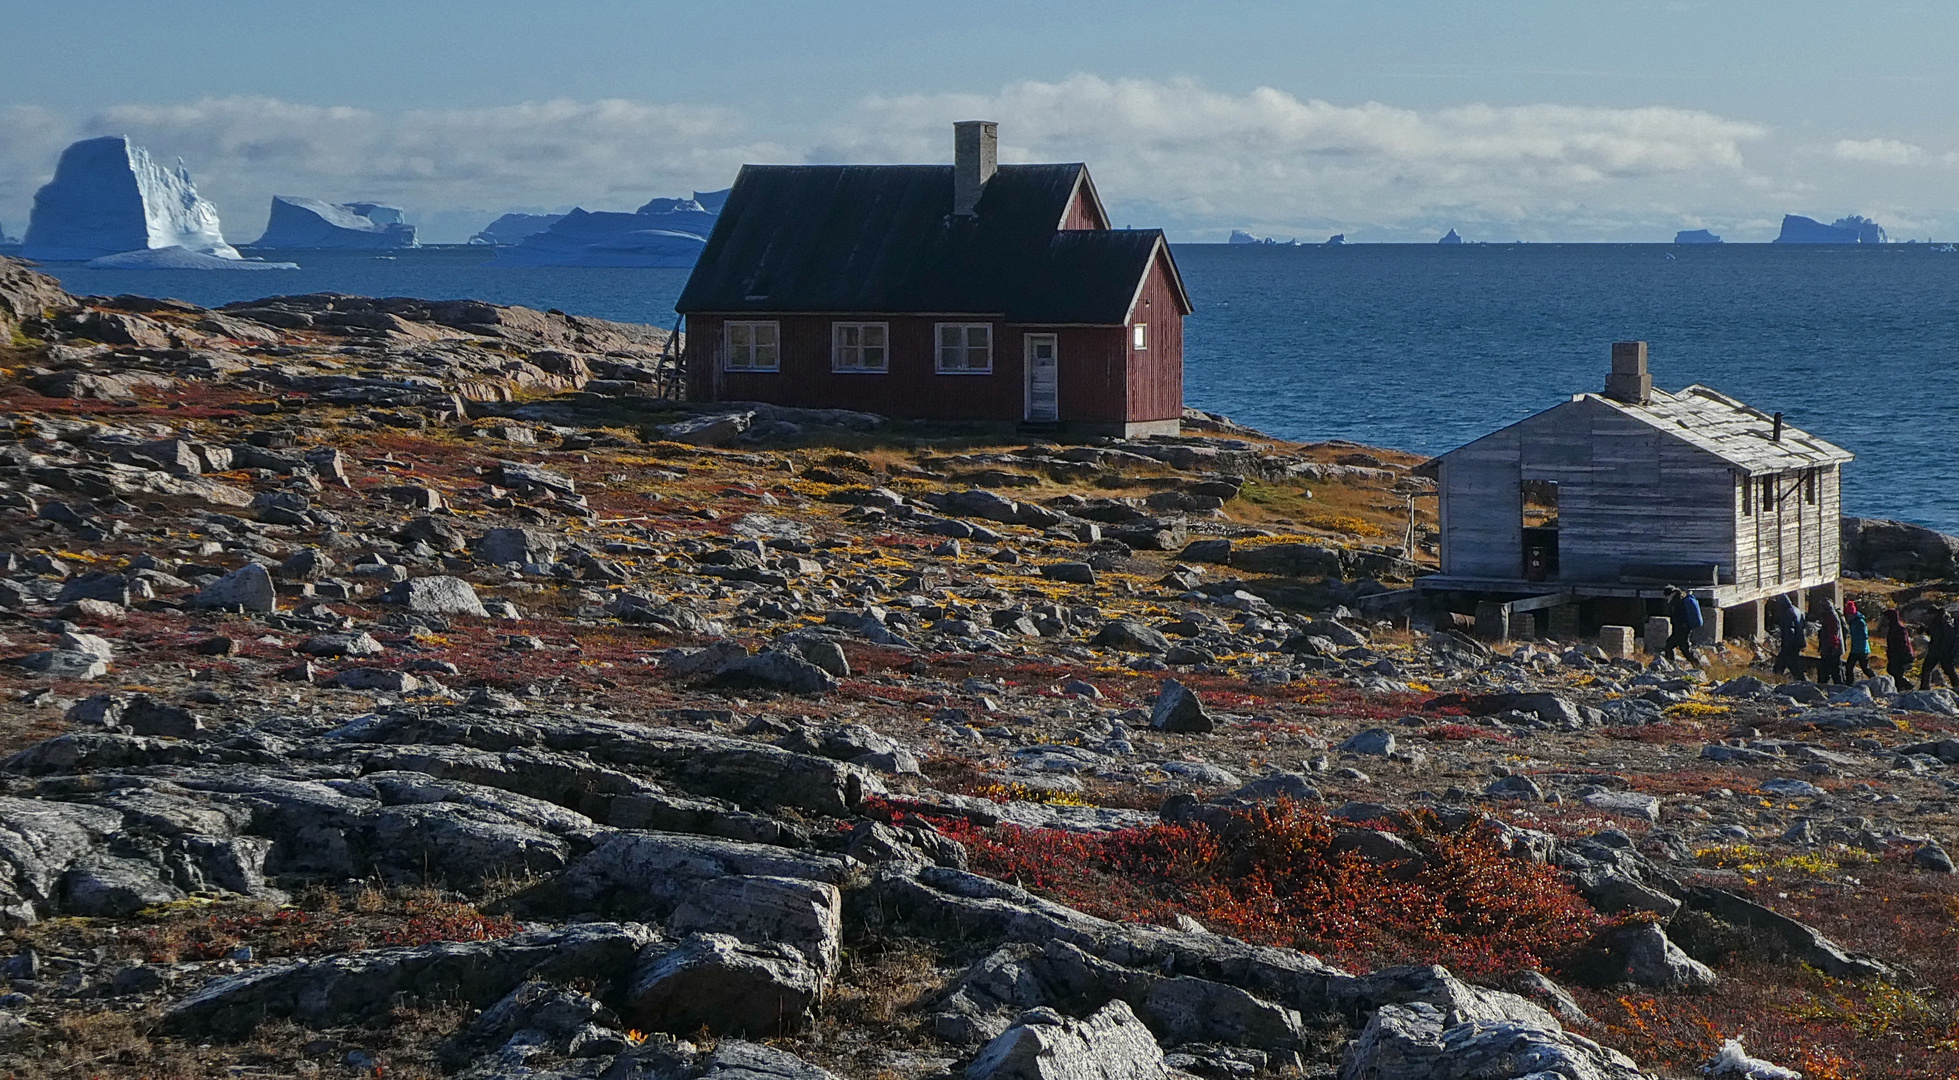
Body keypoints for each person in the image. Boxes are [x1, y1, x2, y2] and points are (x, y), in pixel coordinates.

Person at [1662, 585, 1703, 666]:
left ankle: (1698, 666)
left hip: (1681, 629)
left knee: (1683, 649)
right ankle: (1671, 664)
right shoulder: (1681, 597)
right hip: (1682, 628)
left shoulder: (1676, 601)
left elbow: (1678, 616)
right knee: (1672, 645)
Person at [1922, 606, 1959, 690]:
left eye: (1929, 615)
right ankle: (1924, 687)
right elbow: (1934, 633)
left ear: (1934, 613)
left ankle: (1925, 687)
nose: (1928, 617)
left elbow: (1948, 637)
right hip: (1938, 649)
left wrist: (1946, 649)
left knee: (1946, 668)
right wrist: (1925, 629)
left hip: (1940, 650)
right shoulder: (1940, 620)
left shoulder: (1943, 621)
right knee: (1947, 668)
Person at [1772, 597, 1808, 681]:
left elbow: (1790, 630)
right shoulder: (1797, 610)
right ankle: (1777, 677)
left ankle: (1802, 681)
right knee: (1782, 662)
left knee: (1792, 664)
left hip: (1791, 643)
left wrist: (1787, 644)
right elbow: (1803, 625)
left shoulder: (1788, 614)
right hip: (1798, 641)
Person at [1886, 607, 1916, 690]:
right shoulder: (1894, 626)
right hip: (1897, 654)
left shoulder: (1898, 628)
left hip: (1902, 655)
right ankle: (1900, 687)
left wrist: (1897, 654)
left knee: (1895, 671)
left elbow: (1902, 643)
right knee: (1892, 670)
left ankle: (1909, 686)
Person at [1843, 600, 1874, 682]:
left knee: (1863, 668)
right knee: (1850, 666)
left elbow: (1864, 636)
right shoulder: (1854, 621)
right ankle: (1849, 682)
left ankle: (1875, 680)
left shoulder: (1859, 622)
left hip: (1861, 649)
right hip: (1856, 649)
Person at [1815, 600, 1843, 686]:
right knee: (1832, 669)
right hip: (1831, 647)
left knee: (1831, 668)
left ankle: (1835, 686)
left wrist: (1832, 647)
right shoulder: (1830, 616)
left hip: (1831, 648)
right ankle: (1836, 685)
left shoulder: (1831, 617)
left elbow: (1833, 634)